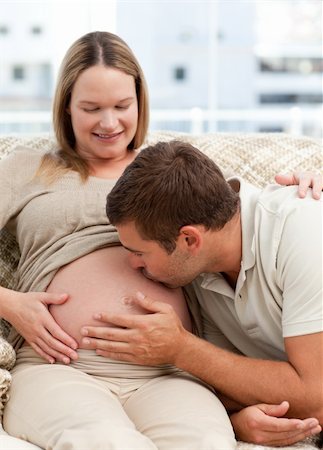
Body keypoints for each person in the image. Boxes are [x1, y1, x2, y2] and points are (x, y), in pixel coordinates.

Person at [0, 31, 320, 449]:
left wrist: (311, 188)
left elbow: (239, 221)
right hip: (62, 363)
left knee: (205, 443)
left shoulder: (171, 168)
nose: (109, 122)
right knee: (106, 442)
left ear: (140, 103)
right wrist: (9, 303)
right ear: (65, 108)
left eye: (122, 106)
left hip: (170, 374)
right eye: (91, 108)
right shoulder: (28, 168)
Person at [90, 139, 321, 448]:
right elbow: (228, 379)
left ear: (189, 239)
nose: (132, 264)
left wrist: (181, 349)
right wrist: (235, 420)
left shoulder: (301, 232)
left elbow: (316, 398)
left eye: (139, 253)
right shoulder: (199, 270)